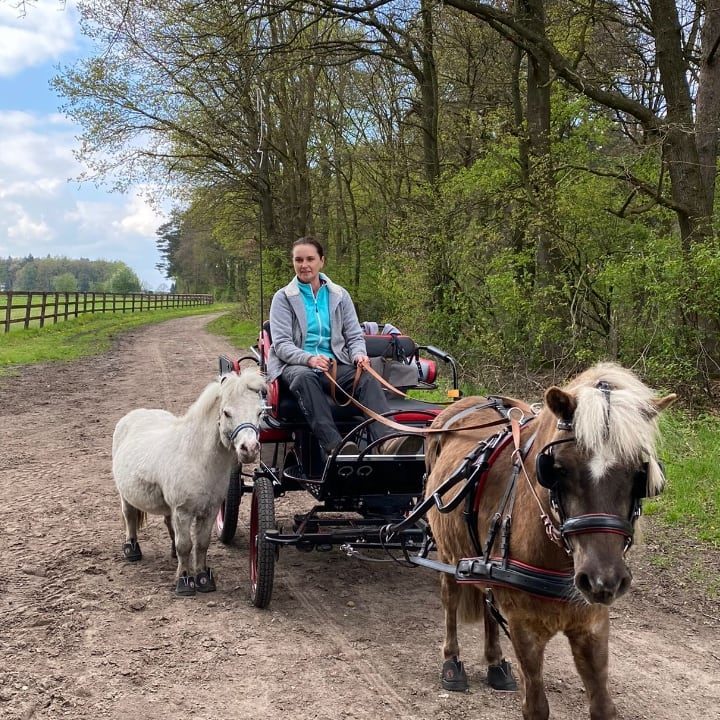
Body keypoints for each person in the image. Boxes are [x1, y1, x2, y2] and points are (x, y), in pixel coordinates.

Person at [266, 236, 420, 458]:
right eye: (298, 260)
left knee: (367, 378)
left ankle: (389, 441)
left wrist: (359, 356)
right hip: (296, 365)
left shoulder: (339, 295)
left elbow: (354, 336)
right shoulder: (283, 298)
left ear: (322, 261)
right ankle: (335, 445)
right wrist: (309, 359)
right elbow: (281, 345)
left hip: (335, 363)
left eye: (310, 259)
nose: (304, 265)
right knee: (304, 378)